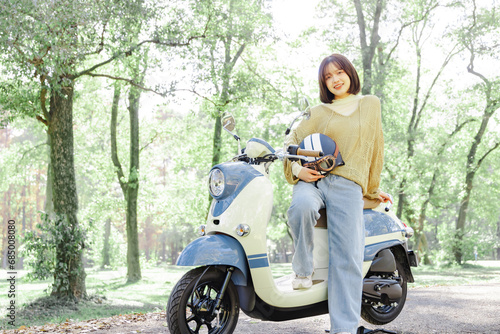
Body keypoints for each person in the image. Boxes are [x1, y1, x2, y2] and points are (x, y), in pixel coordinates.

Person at [283, 53, 391, 334]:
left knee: (348, 258)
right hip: (313, 179)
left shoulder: (370, 104)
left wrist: (374, 191)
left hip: (346, 184)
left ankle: (343, 330)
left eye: (339, 72)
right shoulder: (318, 112)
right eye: (328, 77)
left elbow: (375, 150)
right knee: (301, 207)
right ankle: (303, 270)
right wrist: (297, 171)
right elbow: (290, 142)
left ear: (350, 73)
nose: (335, 80)